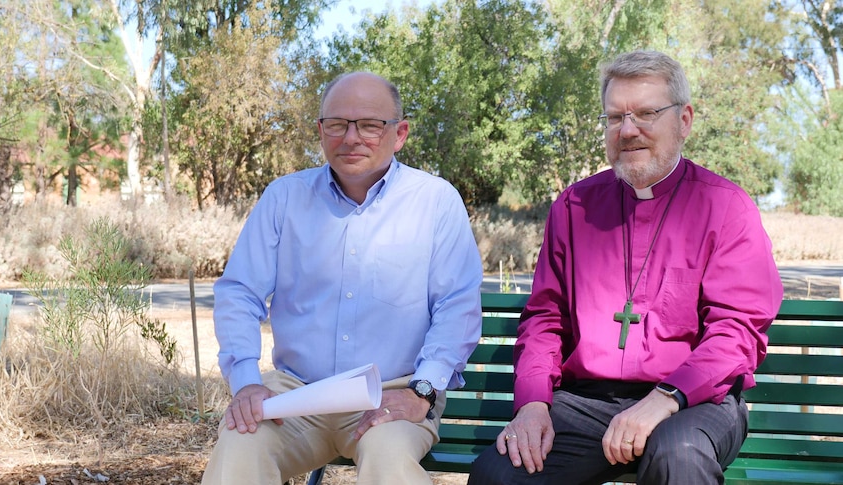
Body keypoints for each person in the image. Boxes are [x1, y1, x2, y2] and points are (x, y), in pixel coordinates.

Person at [467, 50, 783, 485]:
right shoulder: (575, 206)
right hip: (585, 402)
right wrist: (533, 403)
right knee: (500, 475)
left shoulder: (726, 207)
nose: (628, 130)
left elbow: (737, 332)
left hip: (692, 402)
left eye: (646, 113)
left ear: (685, 120)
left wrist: (666, 397)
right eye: (615, 118)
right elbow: (545, 318)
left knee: (680, 457)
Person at [201, 71, 483, 485]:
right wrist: (245, 382)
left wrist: (423, 390)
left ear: (399, 133)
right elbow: (240, 293)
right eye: (337, 124)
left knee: (390, 462)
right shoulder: (284, 198)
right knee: (239, 446)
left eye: (370, 125)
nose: (351, 138)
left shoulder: (435, 202)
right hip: (295, 394)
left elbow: (456, 306)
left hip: (392, 393)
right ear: (320, 130)